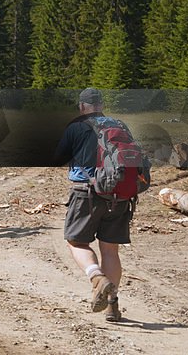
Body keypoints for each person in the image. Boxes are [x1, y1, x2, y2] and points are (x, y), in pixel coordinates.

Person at [54, 88, 138, 323]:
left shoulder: (76, 126)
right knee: (110, 250)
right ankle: (112, 306)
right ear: (101, 104)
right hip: (120, 195)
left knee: (76, 241)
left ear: (82, 107)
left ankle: (97, 279)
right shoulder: (119, 124)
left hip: (87, 193)